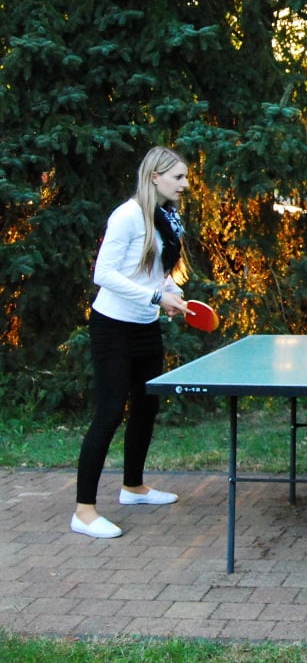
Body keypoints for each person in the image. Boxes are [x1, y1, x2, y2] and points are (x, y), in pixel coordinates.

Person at [72, 147, 193, 539]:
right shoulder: (126, 216)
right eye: (178, 177)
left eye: (186, 177)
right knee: (109, 413)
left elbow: (160, 273)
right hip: (112, 328)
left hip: (145, 326)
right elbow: (103, 273)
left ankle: (133, 487)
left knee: (146, 407)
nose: (185, 184)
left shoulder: (167, 218)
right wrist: (156, 297)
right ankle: (84, 512)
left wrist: (171, 294)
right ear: (154, 176)